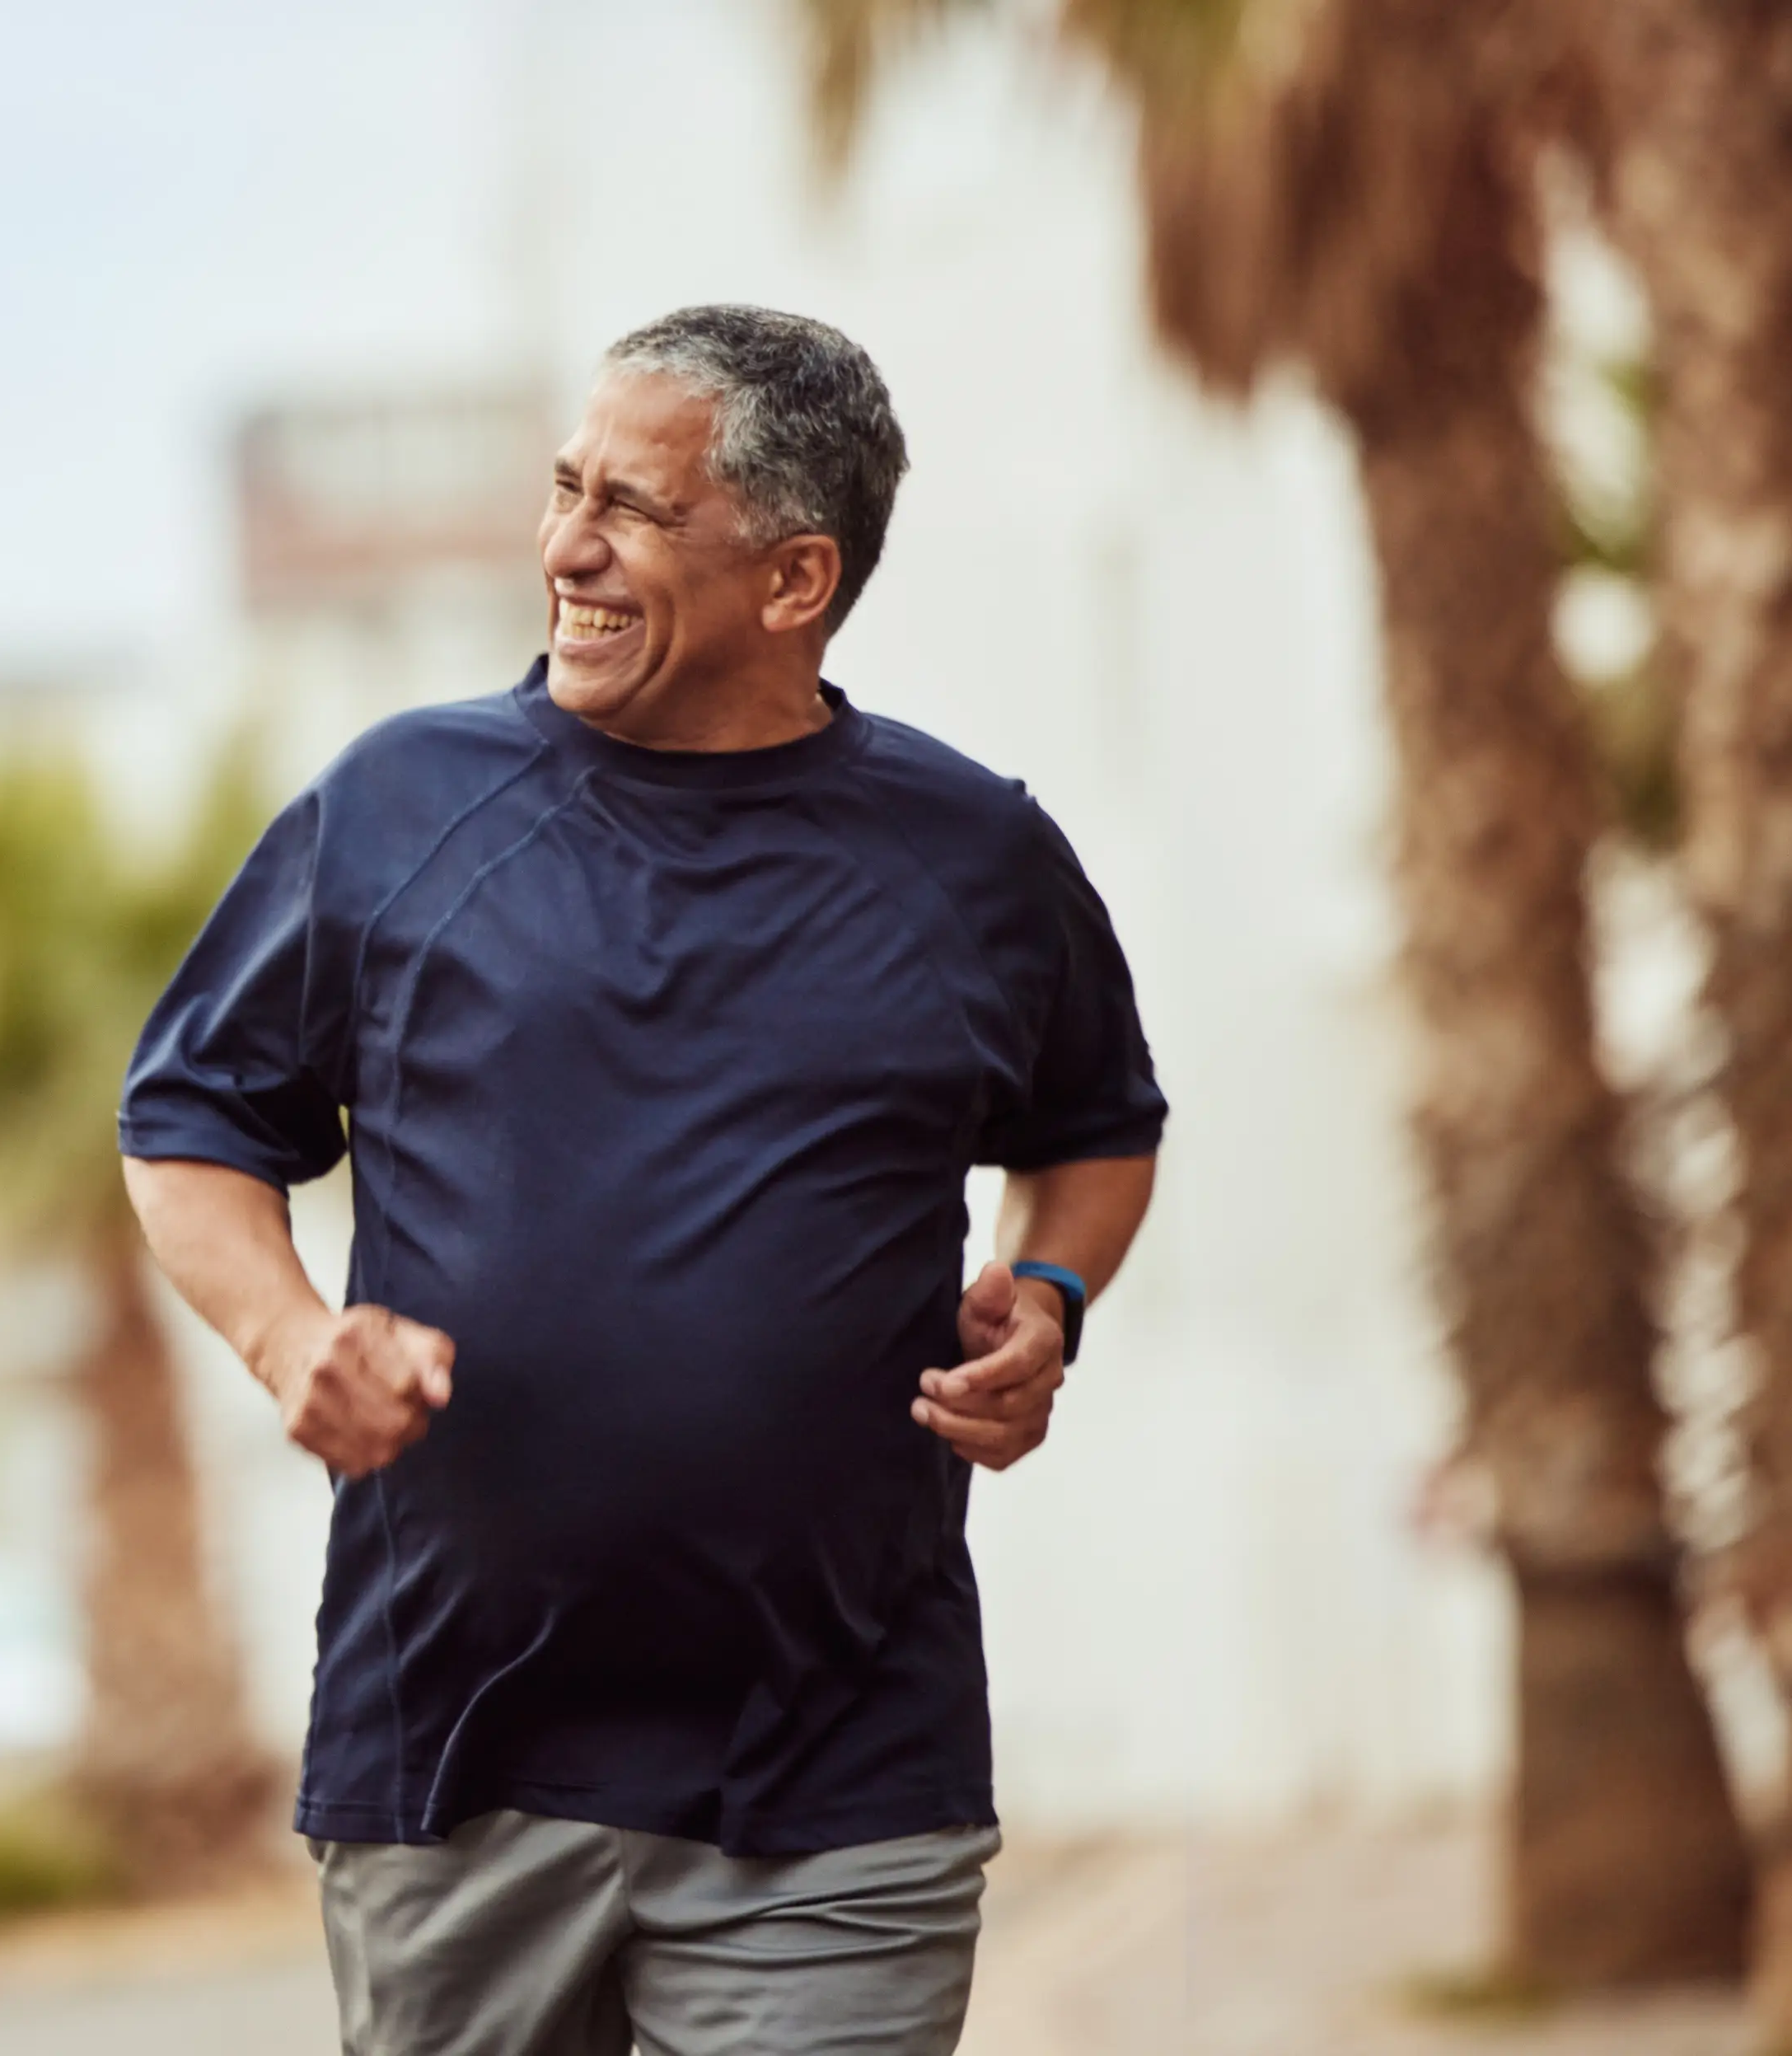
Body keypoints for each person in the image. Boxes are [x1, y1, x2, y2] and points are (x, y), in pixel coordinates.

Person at [119, 305, 1163, 2056]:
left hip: (843, 1760)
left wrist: (1046, 1295)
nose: (565, 548)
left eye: (630, 509)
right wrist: (289, 1335)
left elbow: (1093, 1125)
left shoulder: (972, 854)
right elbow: (191, 1122)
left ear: (793, 575)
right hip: (453, 1752)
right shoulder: (403, 806)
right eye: (560, 488)